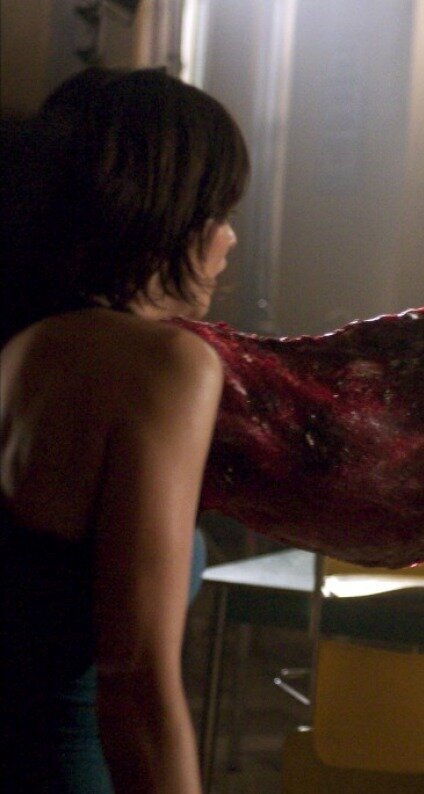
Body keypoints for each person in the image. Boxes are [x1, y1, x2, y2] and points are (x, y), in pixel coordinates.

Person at [1, 68, 248, 793]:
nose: (230, 238)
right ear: (169, 213)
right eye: (220, 210)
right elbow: (135, 680)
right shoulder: (161, 365)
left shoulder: (25, 345)